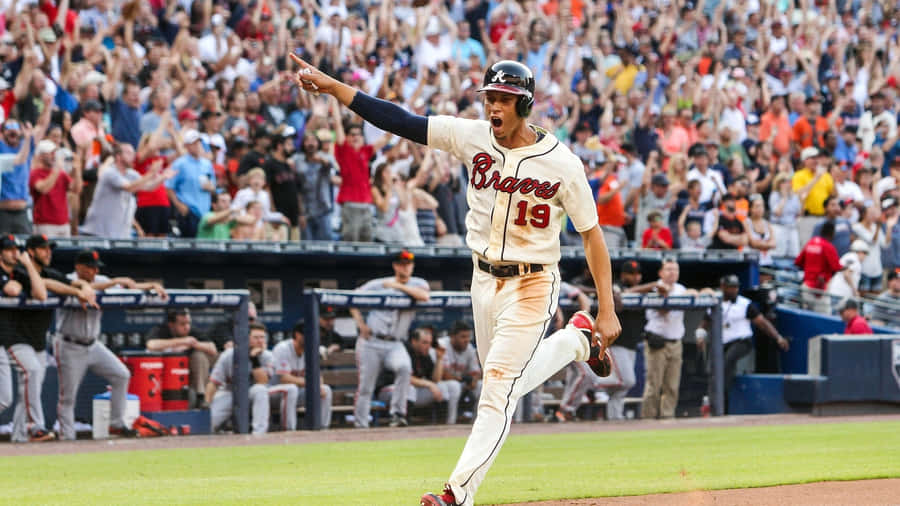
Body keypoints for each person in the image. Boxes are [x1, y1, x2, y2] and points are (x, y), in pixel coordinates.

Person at [291, 57, 620, 506]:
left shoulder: (563, 163)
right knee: (503, 385)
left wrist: (608, 306)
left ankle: (457, 494)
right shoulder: (473, 136)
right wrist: (334, 88)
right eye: (490, 99)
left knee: (497, 390)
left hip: (533, 283)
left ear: (524, 104)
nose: (494, 108)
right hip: (483, 281)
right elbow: (400, 120)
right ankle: (576, 343)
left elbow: (592, 235)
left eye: (504, 100)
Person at [55, 250, 168, 440]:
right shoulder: (67, 279)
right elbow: (85, 287)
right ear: (78, 267)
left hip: (93, 345)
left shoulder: (102, 279)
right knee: (68, 398)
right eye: (89, 267)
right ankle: (67, 438)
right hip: (70, 345)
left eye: (95, 268)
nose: (93, 271)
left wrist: (150, 285)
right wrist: (113, 282)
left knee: (121, 374)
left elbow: (127, 286)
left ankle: (116, 424)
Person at [8, 234, 96, 442]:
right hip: (17, 338)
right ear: (30, 252)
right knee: (31, 376)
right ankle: (34, 427)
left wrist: (84, 288)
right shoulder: (20, 272)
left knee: (29, 392)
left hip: (37, 341)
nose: (48, 252)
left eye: (49, 248)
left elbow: (73, 282)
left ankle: (18, 438)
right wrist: (75, 291)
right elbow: (43, 285)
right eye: (42, 248)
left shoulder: (50, 271)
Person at [349, 250, 427, 428]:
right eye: (401, 264)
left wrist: (398, 287)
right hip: (372, 342)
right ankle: (360, 426)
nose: (405, 267)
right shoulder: (378, 284)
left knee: (405, 367)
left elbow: (424, 296)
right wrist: (360, 324)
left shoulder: (418, 283)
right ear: (395, 266)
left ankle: (398, 414)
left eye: (408, 264)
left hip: (395, 343)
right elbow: (352, 298)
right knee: (366, 387)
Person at [697, 275, 789, 411]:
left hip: (741, 342)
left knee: (726, 363)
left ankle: (719, 402)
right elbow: (704, 324)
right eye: (730, 287)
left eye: (736, 287)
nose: (734, 290)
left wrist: (778, 337)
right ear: (723, 287)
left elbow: (762, 323)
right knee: (713, 371)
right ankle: (714, 404)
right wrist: (700, 335)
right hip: (720, 344)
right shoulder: (715, 303)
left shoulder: (744, 304)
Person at [628, 258, 690, 419]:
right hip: (657, 342)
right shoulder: (654, 288)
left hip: (676, 342)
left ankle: (667, 418)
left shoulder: (681, 288)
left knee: (672, 385)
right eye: (669, 269)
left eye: (675, 269)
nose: (672, 273)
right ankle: (648, 418)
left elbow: (694, 295)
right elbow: (663, 310)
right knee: (653, 385)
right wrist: (666, 293)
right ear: (661, 273)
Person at [0, 235, 48, 440]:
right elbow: (11, 289)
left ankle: (25, 433)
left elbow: (41, 294)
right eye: (9, 249)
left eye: (16, 249)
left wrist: (28, 265)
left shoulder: (19, 272)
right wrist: (19, 285)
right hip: (6, 339)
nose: (14, 253)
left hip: (2, 340)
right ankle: (33, 426)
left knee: (5, 398)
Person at [80, 143, 174, 238]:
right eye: (129, 153)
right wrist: (150, 173)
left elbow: (149, 187)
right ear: (118, 156)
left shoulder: (131, 174)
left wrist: (162, 177)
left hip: (116, 235)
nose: (133, 156)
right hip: (97, 233)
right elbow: (130, 188)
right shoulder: (110, 172)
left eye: (133, 153)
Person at [206, 322, 273, 434]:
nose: (260, 341)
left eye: (262, 337)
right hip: (230, 392)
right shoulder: (229, 355)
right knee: (209, 422)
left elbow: (263, 381)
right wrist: (207, 404)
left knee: (260, 390)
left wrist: (254, 359)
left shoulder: (267, 356)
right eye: (256, 337)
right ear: (246, 338)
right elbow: (214, 382)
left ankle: (259, 435)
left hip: (253, 392)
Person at [145, 309, 219, 408]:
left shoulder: (192, 331)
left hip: (189, 374)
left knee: (199, 356)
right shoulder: (162, 330)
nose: (187, 327)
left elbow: (213, 349)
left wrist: (194, 344)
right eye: (182, 324)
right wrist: (181, 341)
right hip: (165, 377)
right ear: (171, 325)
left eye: (188, 323)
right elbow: (151, 345)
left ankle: (201, 397)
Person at [270, 319, 333, 430]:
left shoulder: (312, 350)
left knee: (325, 390)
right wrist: (311, 383)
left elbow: (318, 378)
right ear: (298, 335)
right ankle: (288, 430)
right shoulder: (283, 348)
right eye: (310, 335)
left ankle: (323, 428)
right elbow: (284, 379)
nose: (314, 339)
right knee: (291, 389)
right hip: (274, 393)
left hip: (297, 392)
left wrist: (317, 385)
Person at [400, 327, 461, 425]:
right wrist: (429, 384)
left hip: (413, 392)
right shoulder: (403, 351)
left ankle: (444, 427)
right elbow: (406, 379)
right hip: (392, 389)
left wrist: (440, 358)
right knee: (410, 389)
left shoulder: (424, 354)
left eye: (429, 343)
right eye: (424, 342)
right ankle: (404, 426)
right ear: (414, 341)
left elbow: (436, 379)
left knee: (443, 387)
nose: (428, 346)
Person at [167, 130, 216, 238]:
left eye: (199, 143)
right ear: (187, 146)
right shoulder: (180, 164)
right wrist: (179, 205)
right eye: (194, 143)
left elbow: (213, 186)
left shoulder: (207, 164)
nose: (197, 146)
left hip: (205, 212)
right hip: (188, 211)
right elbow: (169, 187)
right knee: (187, 246)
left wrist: (210, 187)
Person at [29, 140, 82, 237]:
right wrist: (56, 169)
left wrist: (77, 169)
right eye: (51, 153)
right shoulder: (36, 173)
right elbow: (43, 189)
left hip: (64, 223)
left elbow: (76, 189)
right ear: (40, 156)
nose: (54, 156)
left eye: (55, 153)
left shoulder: (61, 174)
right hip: (45, 224)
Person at [438, 321, 482, 421]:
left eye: (468, 337)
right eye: (463, 337)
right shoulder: (442, 344)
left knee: (481, 386)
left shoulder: (469, 348)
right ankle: (450, 423)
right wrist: (464, 379)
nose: (466, 340)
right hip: (443, 384)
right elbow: (443, 375)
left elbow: (476, 372)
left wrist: (473, 381)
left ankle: (476, 423)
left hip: (461, 382)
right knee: (454, 386)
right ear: (452, 336)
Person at [794, 222, 842, 314]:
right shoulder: (828, 246)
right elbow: (836, 267)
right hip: (820, 290)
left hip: (806, 287)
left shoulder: (811, 242)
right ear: (832, 233)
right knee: (824, 320)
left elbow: (798, 262)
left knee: (806, 317)